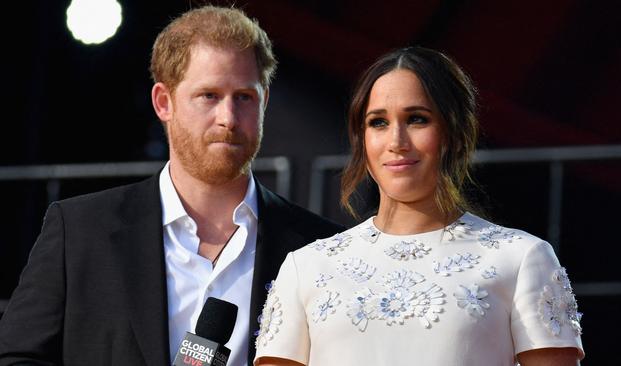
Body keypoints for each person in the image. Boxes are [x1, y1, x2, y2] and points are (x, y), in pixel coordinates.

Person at [0, 6, 342, 366]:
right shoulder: (81, 231)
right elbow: (17, 358)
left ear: (264, 101)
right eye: (209, 95)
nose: (228, 117)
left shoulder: (318, 249)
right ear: (164, 102)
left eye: (244, 96)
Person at [254, 47, 584, 366]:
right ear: (362, 139)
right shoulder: (307, 267)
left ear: (453, 133)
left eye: (416, 119)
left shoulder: (521, 259)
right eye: (378, 122)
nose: (396, 142)